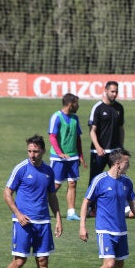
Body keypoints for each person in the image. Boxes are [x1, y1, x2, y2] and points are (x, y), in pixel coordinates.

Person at [0, 135, 63, 268]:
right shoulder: (21, 168)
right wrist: (18, 214)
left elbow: (52, 196)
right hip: (23, 223)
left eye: (35, 151)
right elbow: (7, 192)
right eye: (29, 151)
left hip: (43, 222)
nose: (32, 154)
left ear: (42, 150)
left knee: (43, 261)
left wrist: (57, 218)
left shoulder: (49, 171)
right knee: (19, 261)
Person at [79, 149, 135, 268]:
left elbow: (134, 205)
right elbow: (86, 202)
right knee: (109, 264)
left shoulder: (126, 182)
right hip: (104, 229)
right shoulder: (100, 180)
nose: (128, 165)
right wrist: (82, 226)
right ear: (118, 164)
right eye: (126, 163)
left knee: (119, 265)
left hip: (121, 230)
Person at [87, 81, 125, 216]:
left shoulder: (119, 108)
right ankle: (90, 207)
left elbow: (121, 129)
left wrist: (121, 147)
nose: (114, 94)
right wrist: (98, 147)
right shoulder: (98, 107)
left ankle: (121, 207)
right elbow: (92, 130)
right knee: (95, 180)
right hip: (99, 151)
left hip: (115, 151)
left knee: (119, 177)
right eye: (112, 91)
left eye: (116, 91)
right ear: (106, 90)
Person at [48, 93, 87, 221]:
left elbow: (77, 138)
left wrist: (80, 155)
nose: (78, 106)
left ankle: (71, 213)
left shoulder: (75, 118)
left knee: (72, 183)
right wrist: (59, 153)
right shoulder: (56, 117)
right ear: (71, 104)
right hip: (58, 158)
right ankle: (40, 206)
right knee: (55, 185)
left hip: (73, 157)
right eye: (77, 103)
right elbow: (52, 137)